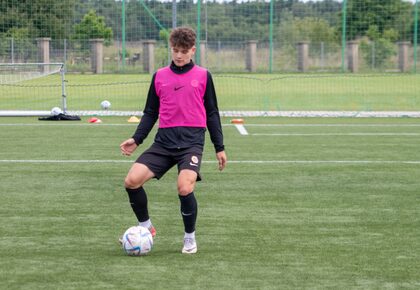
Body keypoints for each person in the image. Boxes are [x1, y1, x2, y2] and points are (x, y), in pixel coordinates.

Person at [120, 27, 227, 254]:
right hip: (164, 142)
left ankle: (190, 238)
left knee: (184, 187)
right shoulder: (159, 76)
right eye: (175, 50)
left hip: (191, 143)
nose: (179, 55)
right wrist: (136, 139)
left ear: (193, 51)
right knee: (131, 180)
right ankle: (146, 228)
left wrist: (220, 147)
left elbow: (212, 113)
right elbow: (150, 112)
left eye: (183, 51)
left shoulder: (203, 75)